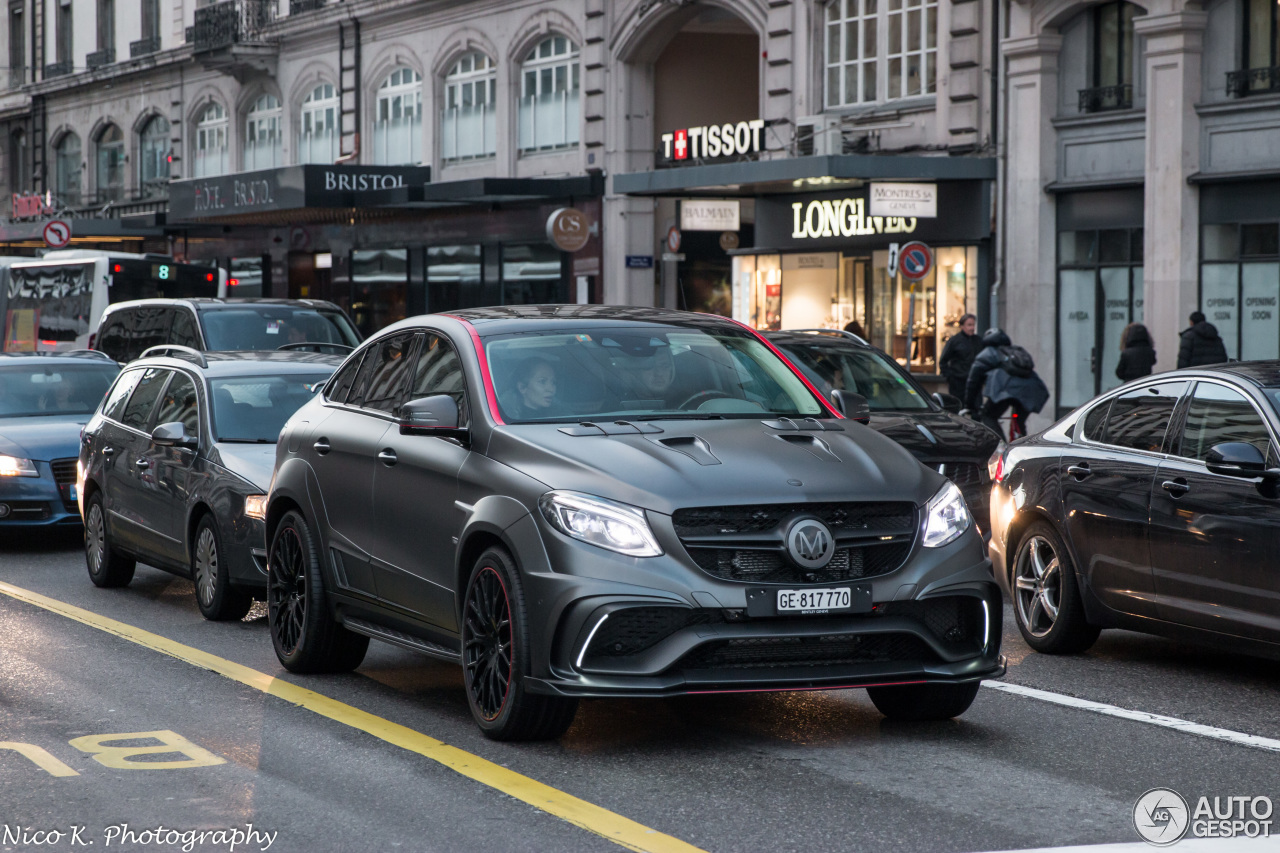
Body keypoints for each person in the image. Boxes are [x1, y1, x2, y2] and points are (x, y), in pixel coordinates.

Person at [965, 328, 1049, 439]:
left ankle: (1001, 446)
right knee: (1019, 422)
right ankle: (1020, 446)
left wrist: (969, 405)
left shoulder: (987, 353)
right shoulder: (1017, 351)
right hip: (1030, 391)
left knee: (988, 416)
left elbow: (973, 382)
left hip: (1006, 391)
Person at [938, 313, 982, 400]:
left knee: (976, 408)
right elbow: (943, 361)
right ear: (962, 326)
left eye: (973, 325)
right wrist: (950, 377)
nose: (972, 328)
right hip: (958, 382)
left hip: (974, 381)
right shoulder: (954, 341)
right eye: (969, 325)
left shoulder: (978, 340)